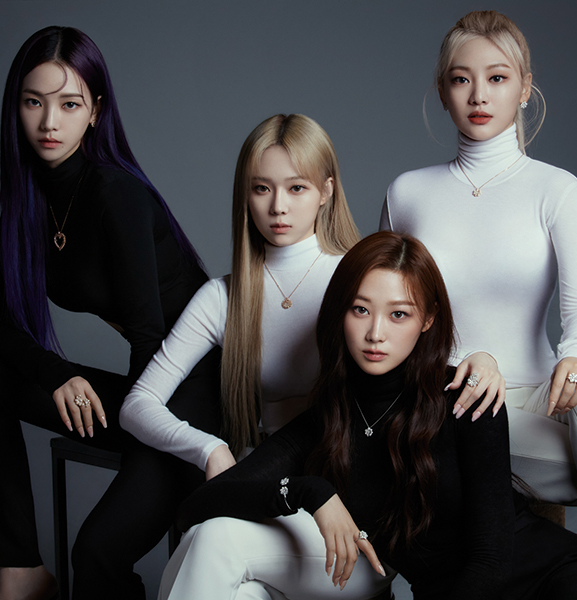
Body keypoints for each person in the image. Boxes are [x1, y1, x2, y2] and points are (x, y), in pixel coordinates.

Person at [160, 231, 577, 600]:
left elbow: (491, 558)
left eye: (399, 314)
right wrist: (309, 492)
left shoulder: (467, 398)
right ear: (340, 312)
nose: (376, 333)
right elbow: (194, 509)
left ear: (428, 319)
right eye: (360, 310)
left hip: (552, 577)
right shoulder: (325, 423)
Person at [0, 26, 222, 600]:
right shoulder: (28, 206)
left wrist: (146, 448)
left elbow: (149, 337)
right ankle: (21, 568)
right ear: (16, 107)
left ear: (95, 112)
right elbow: (2, 328)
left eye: (69, 104)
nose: (49, 122)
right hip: (144, 387)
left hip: (192, 399)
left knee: (95, 553)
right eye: (33, 102)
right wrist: (59, 375)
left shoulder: (117, 193)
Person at [381, 10, 577, 504]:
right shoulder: (407, 193)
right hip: (448, 401)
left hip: (544, 401)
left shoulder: (556, 189)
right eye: (461, 79)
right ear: (442, 91)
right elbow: (382, 309)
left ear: (525, 87)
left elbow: (576, 311)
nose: (479, 96)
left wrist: (574, 360)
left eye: (497, 78)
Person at [120, 112, 359, 478]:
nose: (278, 206)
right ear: (245, 195)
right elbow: (137, 406)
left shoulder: (360, 280)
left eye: (296, 188)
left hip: (345, 471)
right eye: (262, 188)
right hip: (265, 473)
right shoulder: (222, 297)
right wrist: (209, 449)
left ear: (326, 191)